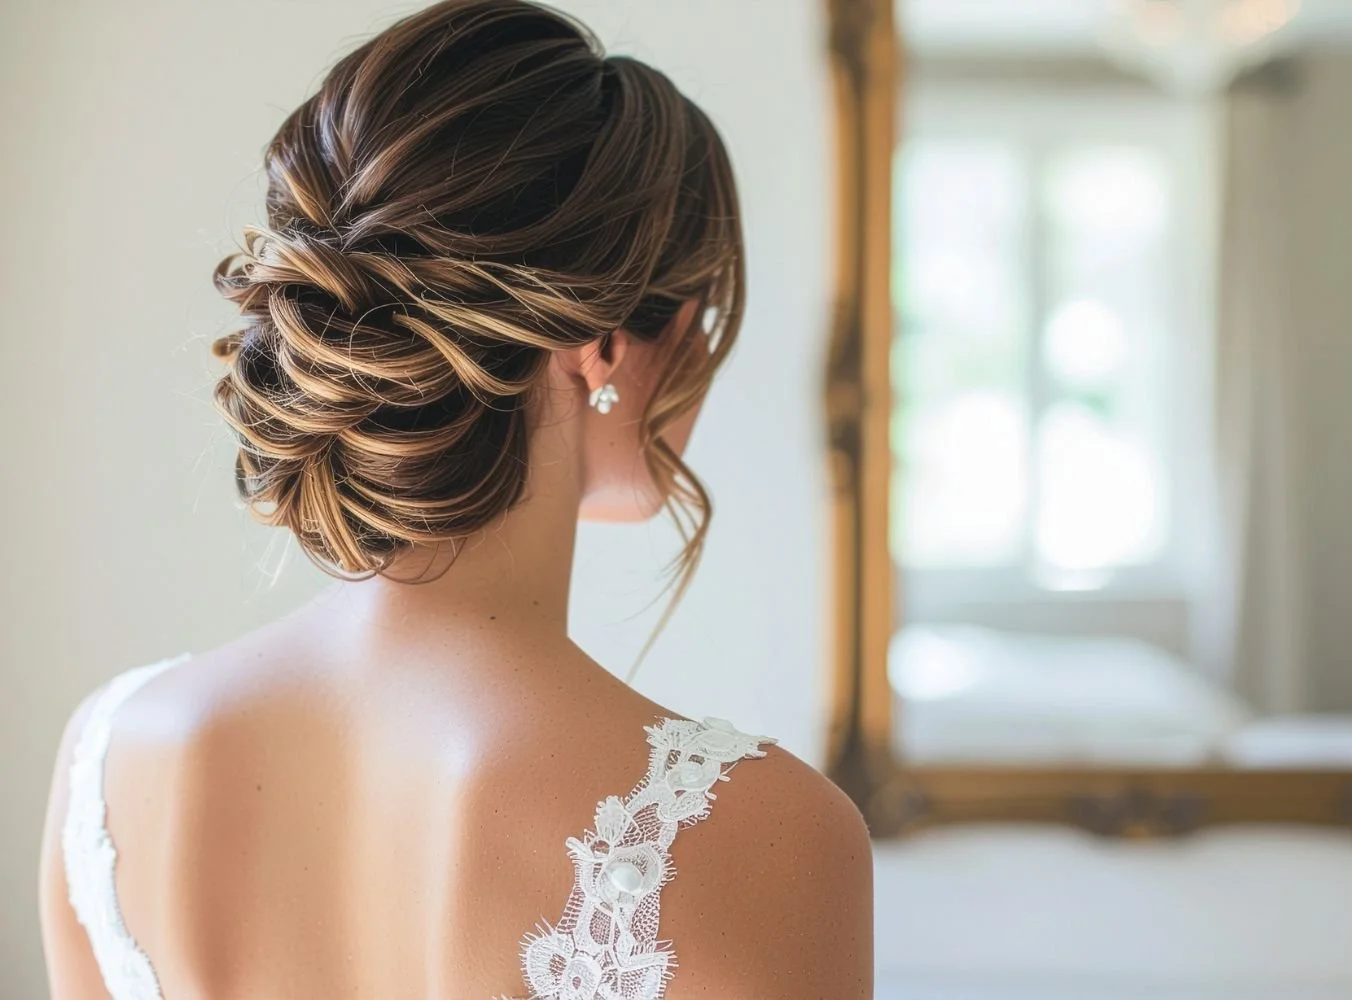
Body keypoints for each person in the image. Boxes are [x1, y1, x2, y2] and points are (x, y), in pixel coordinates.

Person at [36, 2, 874, 997]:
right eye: (699, 317)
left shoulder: (109, 758)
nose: (701, 359)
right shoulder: (766, 832)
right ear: (603, 344)